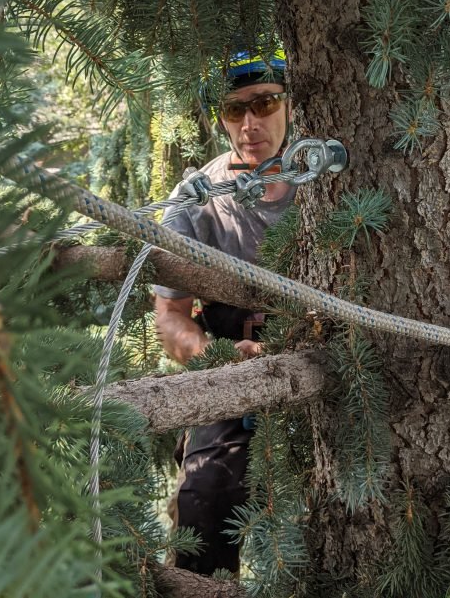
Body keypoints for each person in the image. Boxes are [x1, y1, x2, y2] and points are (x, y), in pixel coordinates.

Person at [153, 50, 295, 576]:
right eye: (235, 111)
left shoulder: (331, 181)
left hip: (333, 355)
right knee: (204, 500)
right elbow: (170, 317)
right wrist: (217, 359)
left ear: (290, 103)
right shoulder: (194, 199)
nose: (250, 122)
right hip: (229, 367)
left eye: (265, 102)